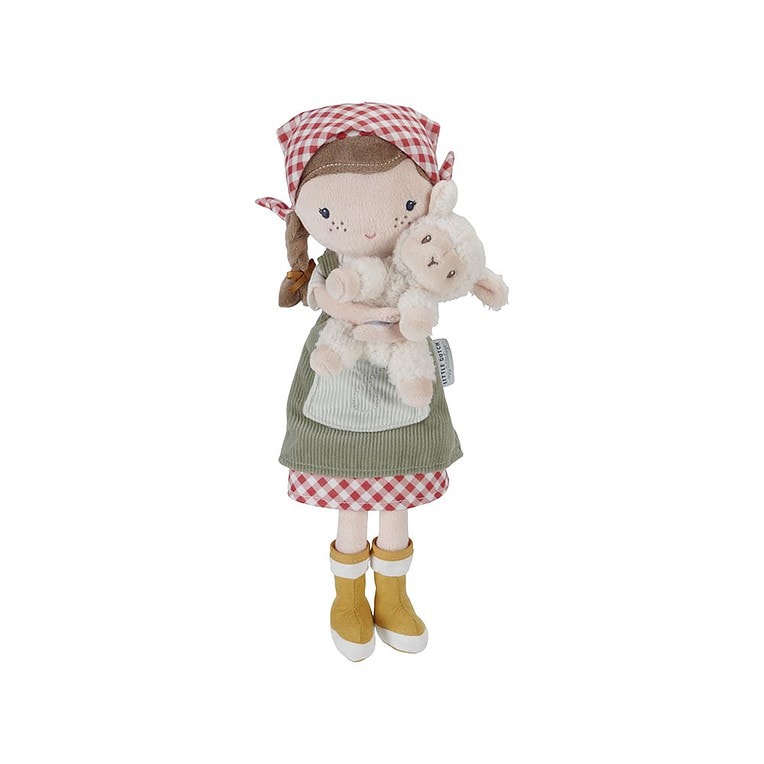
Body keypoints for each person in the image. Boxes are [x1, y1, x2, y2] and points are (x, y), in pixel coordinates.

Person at [257, 102, 462, 661]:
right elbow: (320, 294)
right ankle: (347, 600)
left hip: (404, 376)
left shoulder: (415, 256)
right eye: (330, 210)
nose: (368, 227)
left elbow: (446, 284)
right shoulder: (332, 264)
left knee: (395, 495)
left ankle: (393, 596)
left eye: (403, 202)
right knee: (350, 498)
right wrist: (349, 311)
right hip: (341, 375)